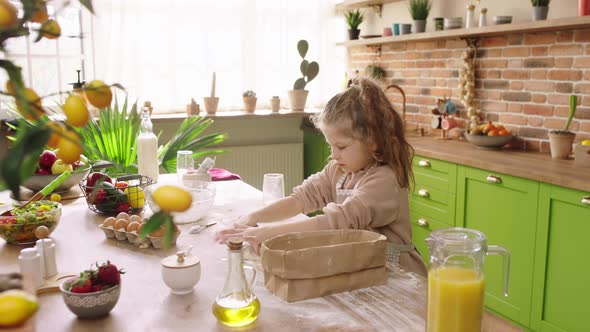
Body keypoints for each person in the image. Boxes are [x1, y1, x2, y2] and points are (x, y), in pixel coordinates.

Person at [215, 77, 427, 276]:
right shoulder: (339, 170)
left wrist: (269, 233)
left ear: (372, 140)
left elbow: (337, 222)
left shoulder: (384, 181)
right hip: (362, 267)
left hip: (397, 274)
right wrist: (253, 218)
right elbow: (301, 198)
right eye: (330, 145)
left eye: (341, 146)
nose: (334, 155)